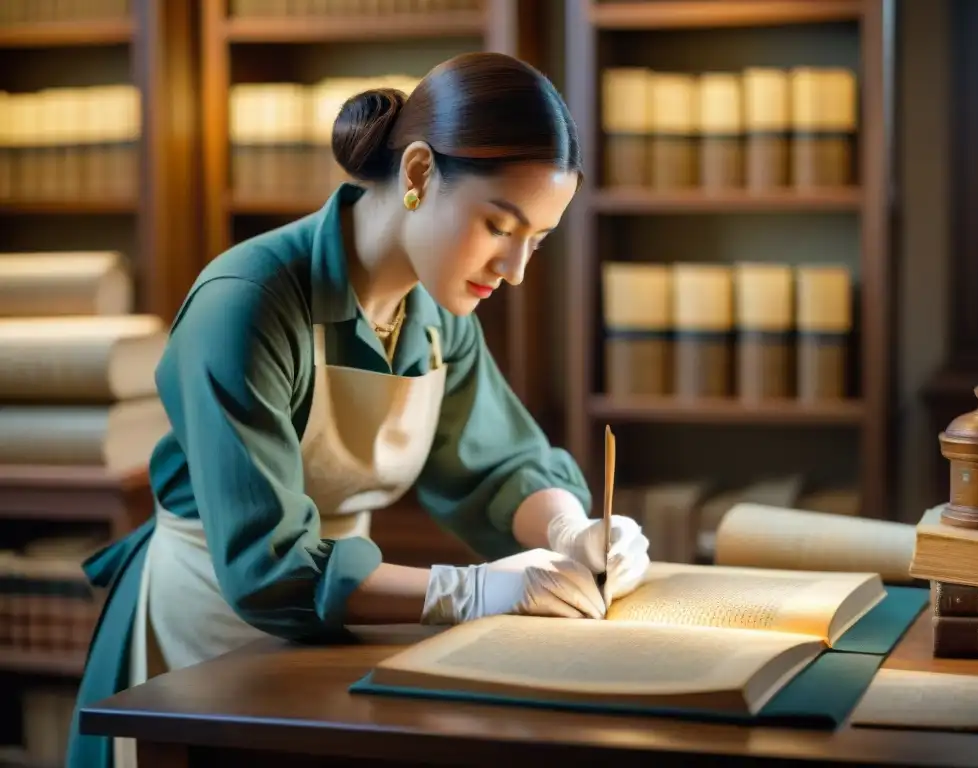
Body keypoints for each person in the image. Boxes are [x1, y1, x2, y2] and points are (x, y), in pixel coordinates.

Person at [66, 51, 651, 768]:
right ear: (417, 174)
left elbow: (497, 465)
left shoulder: (438, 315)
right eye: (500, 226)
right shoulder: (247, 303)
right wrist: (468, 591)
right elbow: (271, 567)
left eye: (538, 238)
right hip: (206, 635)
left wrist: (569, 527)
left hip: (332, 636)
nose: (517, 268)